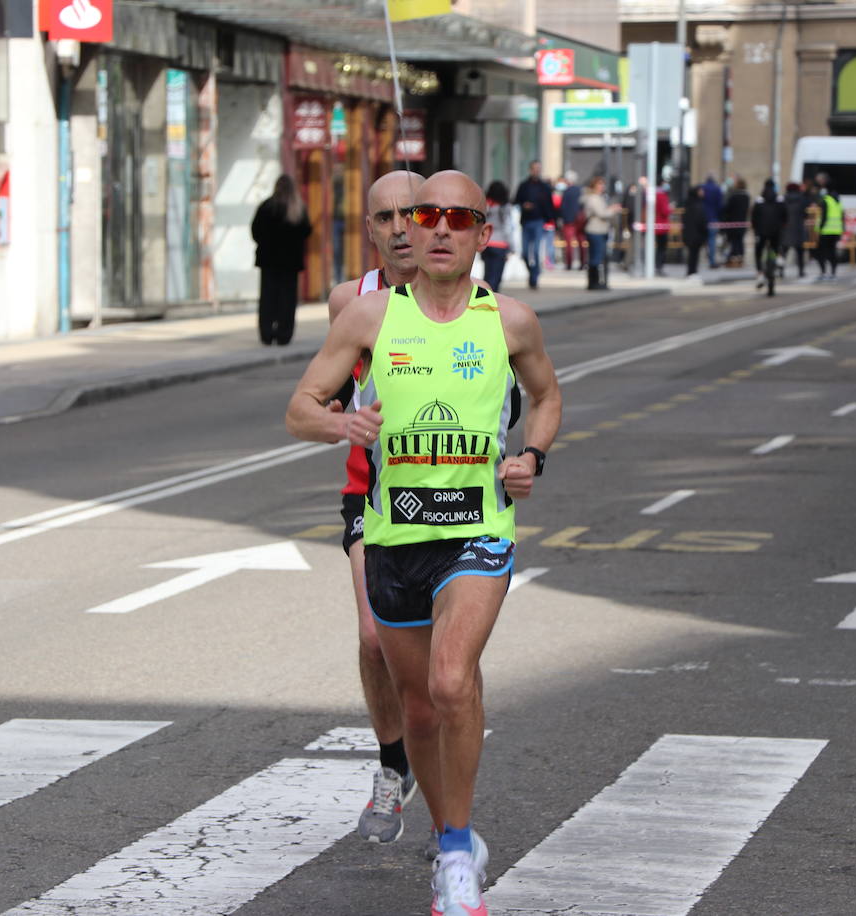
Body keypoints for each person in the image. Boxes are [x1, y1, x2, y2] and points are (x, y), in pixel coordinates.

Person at [285, 170, 562, 916]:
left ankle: (454, 854)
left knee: (450, 681)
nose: (434, 229)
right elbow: (300, 408)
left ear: (481, 231)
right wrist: (342, 423)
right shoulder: (367, 316)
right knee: (416, 709)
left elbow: (546, 395)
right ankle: (449, 835)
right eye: (421, 216)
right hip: (391, 532)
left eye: (453, 218)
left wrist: (531, 457)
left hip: (476, 530)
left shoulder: (511, 321)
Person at [326, 169, 427, 850]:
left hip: (455, 497)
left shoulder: (470, 300)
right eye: (384, 217)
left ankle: (449, 788)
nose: (398, 229)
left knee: (442, 665)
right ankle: (395, 766)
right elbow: (325, 392)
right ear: (370, 229)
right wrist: (340, 417)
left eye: (410, 215)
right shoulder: (349, 300)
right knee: (373, 636)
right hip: (373, 491)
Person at [251, 174, 312, 346]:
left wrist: (266, 243)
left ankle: (267, 333)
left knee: (268, 298)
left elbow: (255, 230)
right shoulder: (297, 209)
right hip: (290, 263)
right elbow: (306, 231)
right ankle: (284, 334)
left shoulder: (267, 207)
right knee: (287, 299)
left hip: (269, 261)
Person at [512, 160, 556, 288]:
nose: (537, 171)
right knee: (525, 252)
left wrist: (551, 220)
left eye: (539, 168)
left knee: (536, 251)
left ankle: (534, 277)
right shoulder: (524, 185)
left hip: (539, 221)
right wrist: (523, 205)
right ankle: (532, 271)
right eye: (534, 168)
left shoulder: (544, 187)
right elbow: (516, 200)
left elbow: (550, 205)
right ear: (530, 170)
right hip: (526, 222)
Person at [750, 180, 787, 292]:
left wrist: (755, 229)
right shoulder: (779, 200)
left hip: (761, 232)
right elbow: (785, 215)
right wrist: (782, 225)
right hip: (775, 231)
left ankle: (760, 274)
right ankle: (779, 257)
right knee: (776, 247)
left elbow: (753, 217)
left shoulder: (759, 200)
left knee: (758, 253)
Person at [582, 175, 617, 290]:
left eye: (603, 184)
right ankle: (594, 282)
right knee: (596, 257)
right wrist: (612, 210)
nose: (602, 187)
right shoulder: (593, 198)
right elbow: (602, 213)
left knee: (599, 256)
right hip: (595, 231)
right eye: (600, 184)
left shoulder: (599, 197)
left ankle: (597, 282)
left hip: (601, 231)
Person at [482, 180, 514, 292]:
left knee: (487, 276)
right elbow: (508, 228)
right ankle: (492, 302)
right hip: (500, 245)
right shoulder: (505, 208)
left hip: (486, 244)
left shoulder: (486, 205)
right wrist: (512, 247)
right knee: (496, 278)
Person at [815, 184, 844, 281]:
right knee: (832, 252)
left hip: (826, 231)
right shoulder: (838, 202)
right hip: (836, 231)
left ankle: (823, 272)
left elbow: (824, 217)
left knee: (820, 252)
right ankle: (833, 273)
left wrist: (819, 229)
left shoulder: (826, 201)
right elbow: (842, 217)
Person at [782, 181, 810, 279]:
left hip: (786, 229)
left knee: (784, 252)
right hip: (798, 228)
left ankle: (781, 270)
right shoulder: (802, 199)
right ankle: (801, 271)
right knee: (800, 253)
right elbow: (806, 214)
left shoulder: (784, 199)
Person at [557, 171, 583, 270]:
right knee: (581, 242)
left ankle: (569, 264)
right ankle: (582, 262)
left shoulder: (566, 192)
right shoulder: (580, 190)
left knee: (568, 244)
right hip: (579, 220)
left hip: (568, 221)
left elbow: (562, 207)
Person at [721, 176, 750, 268]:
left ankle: (733, 259)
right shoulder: (746, 196)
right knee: (740, 241)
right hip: (742, 222)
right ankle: (740, 258)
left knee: (734, 242)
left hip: (732, 222)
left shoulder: (733, 196)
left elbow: (727, 208)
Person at [682, 185, 708, 277]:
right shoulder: (697, 205)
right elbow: (701, 220)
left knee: (692, 254)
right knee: (694, 255)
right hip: (696, 234)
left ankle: (691, 271)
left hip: (690, 233)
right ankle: (692, 272)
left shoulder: (689, 204)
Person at [702, 173, 724, 268]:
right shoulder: (717, 189)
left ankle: (706, 255)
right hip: (713, 218)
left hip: (702, 217)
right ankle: (711, 260)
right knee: (712, 240)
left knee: (703, 239)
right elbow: (720, 205)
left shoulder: (702, 188)